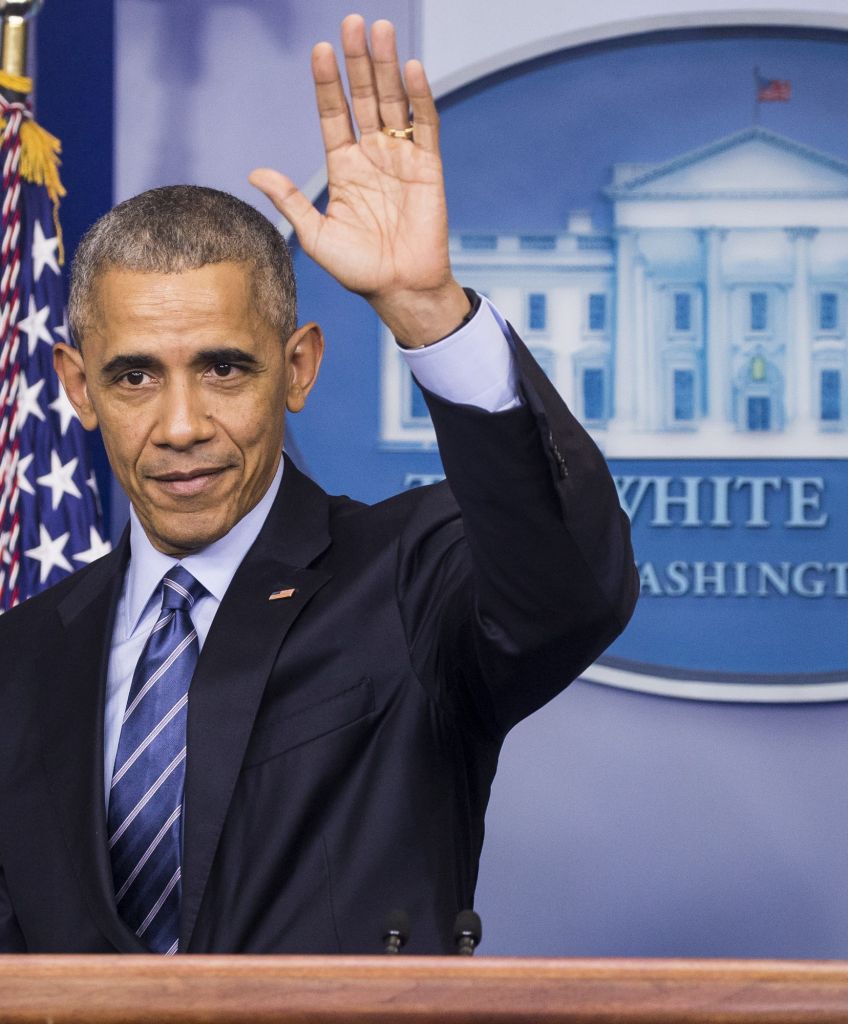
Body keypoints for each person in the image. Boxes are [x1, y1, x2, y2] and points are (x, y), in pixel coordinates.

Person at [0, 16, 637, 954]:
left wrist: (428, 312)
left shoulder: (408, 580)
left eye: (225, 369)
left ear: (297, 368)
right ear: (76, 388)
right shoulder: (20, 656)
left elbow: (566, 593)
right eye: (135, 375)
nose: (180, 426)